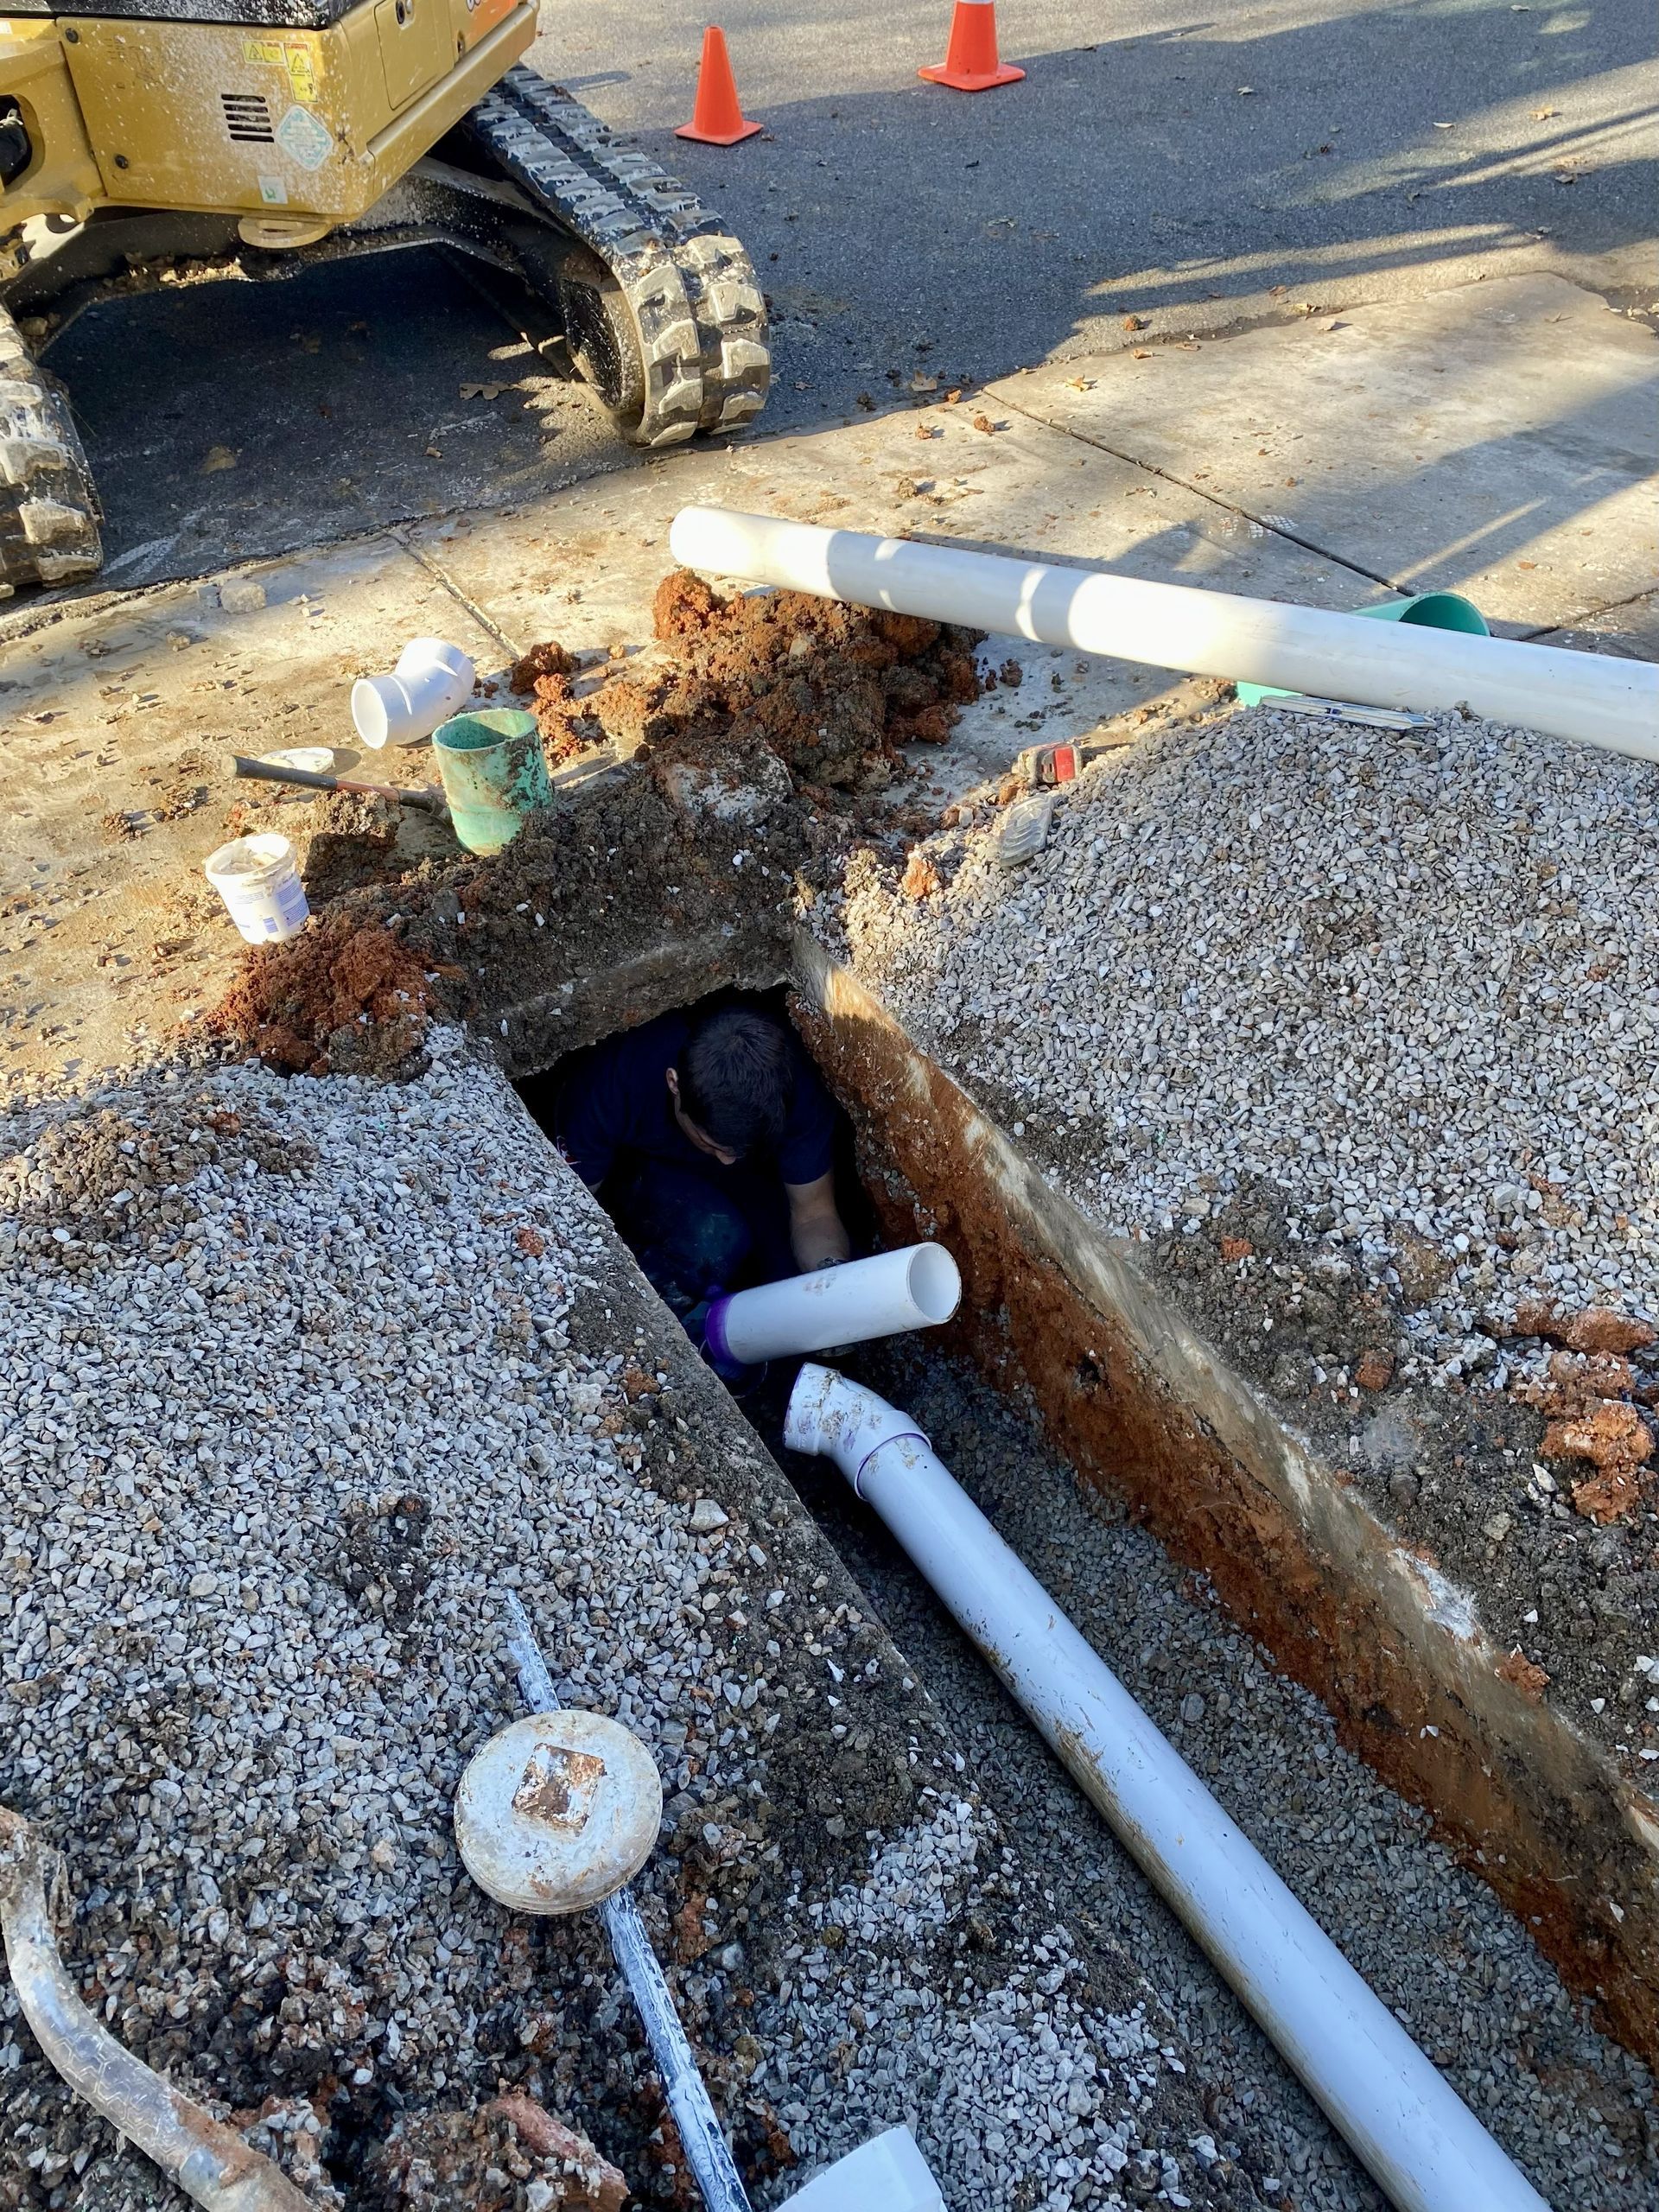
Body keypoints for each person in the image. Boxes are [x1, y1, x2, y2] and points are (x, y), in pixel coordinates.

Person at [556, 1002, 851, 1326]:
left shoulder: (796, 1091)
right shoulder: (614, 1083)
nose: (728, 1158)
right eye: (713, 1143)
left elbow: (814, 1214)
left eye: (739, 1149)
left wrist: (833, 1282)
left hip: (752, 1183)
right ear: (674, 1084)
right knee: (715, 1237)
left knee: (786, 1275)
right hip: (635, 1168)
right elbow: (571, 1213)